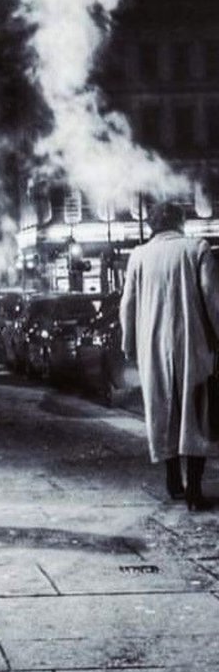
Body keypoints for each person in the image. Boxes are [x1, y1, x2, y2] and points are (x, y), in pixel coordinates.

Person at [120, 198, 219, 510]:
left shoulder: (139, 256)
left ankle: (173, 481)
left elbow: (128, 305)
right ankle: (194, 490)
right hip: (194, 343)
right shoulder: (197, 249)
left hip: (153, 345)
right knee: (196, 414)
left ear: (152, 225)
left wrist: (129, 344)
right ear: (180, 221)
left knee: (164, 413)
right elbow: (213, 300)